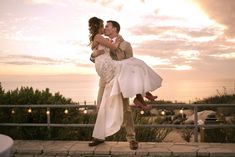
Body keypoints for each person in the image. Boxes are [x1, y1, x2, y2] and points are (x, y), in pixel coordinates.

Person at [88, 17, 162, 149]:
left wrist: (135, 90)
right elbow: (95, 58)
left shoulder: (126, 45)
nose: (104, 28)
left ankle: (131, 138)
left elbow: (131, 66)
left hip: (121, 81)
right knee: (100, 107)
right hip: (105, 80)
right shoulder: (101, 39)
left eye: (107, 26)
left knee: (126, 110)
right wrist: (93, 55)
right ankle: (99, 136)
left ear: (114, 29)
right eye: (104, 26)